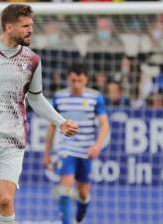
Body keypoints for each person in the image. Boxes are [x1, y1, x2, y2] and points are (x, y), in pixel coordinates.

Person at [0, 4, 78, 224]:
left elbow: (35, 97)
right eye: (25, 26)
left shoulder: (32, 60)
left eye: (31, 26)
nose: (30, 30)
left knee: (6, 200)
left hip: (13, 138)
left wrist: (61, 122)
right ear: (9, 27)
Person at [43, 63, 110, 224]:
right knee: (65, 188)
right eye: (73, 80)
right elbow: (52, 125)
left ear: (86, 79)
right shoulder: (59, 97)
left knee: (83, 193)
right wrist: (47, 153)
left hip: (86, 151)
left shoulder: (95, 98)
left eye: (80, 81)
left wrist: (97, 146)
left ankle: (79, 218)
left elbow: (105, 124)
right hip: (66, 149)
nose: (76, 84)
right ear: (68, 79)